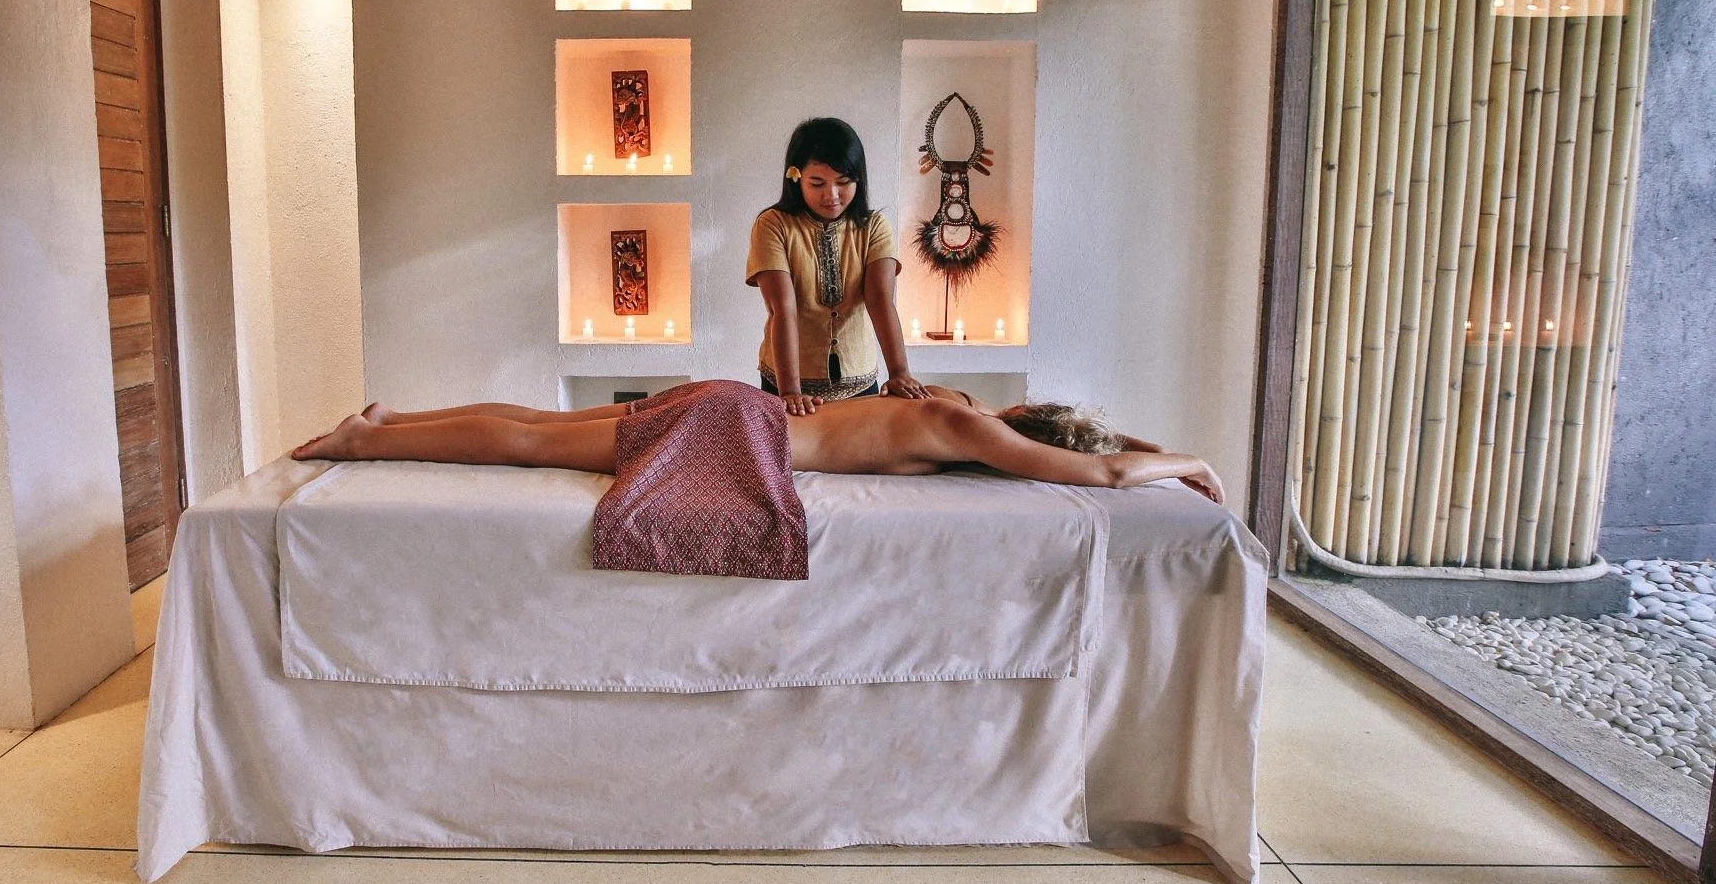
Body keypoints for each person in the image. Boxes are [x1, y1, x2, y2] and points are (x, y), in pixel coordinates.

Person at [291, 384, 1224, 504]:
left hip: (742, 408)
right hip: (737, 433)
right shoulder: (963, 429)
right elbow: (1101, 469)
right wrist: (1191, 460)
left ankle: (381, 425)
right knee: (537, 444)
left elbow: (1094, 449)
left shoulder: (956, 408)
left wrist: (1166, 440)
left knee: (542, 425)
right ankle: (366, 443)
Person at [749, 118, 924, 416]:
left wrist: (899, 372)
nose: (831, 195)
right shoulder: (773, 225)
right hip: (788, 384)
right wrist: (790, 391)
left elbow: (880, 300)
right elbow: (783, 309)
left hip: (860, 385)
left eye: (843, 182)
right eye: (817, 183)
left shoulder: (874, 227)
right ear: (795, 177)